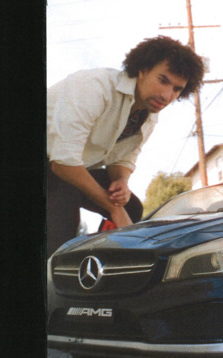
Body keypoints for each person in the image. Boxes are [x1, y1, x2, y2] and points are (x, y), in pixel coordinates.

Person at [47, 36, 205, 256]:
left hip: (72, 168)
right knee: (64, 218)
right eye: (162, 80)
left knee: (132, 207)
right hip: (48, 165)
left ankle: (105, 259)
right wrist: (114, 208)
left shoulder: (149, 116)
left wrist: (120, 181)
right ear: (142, 69)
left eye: (177, 89)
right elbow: (62, 162)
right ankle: (58, 267)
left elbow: (122, 158)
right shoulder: (94, 87)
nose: (167, 95)